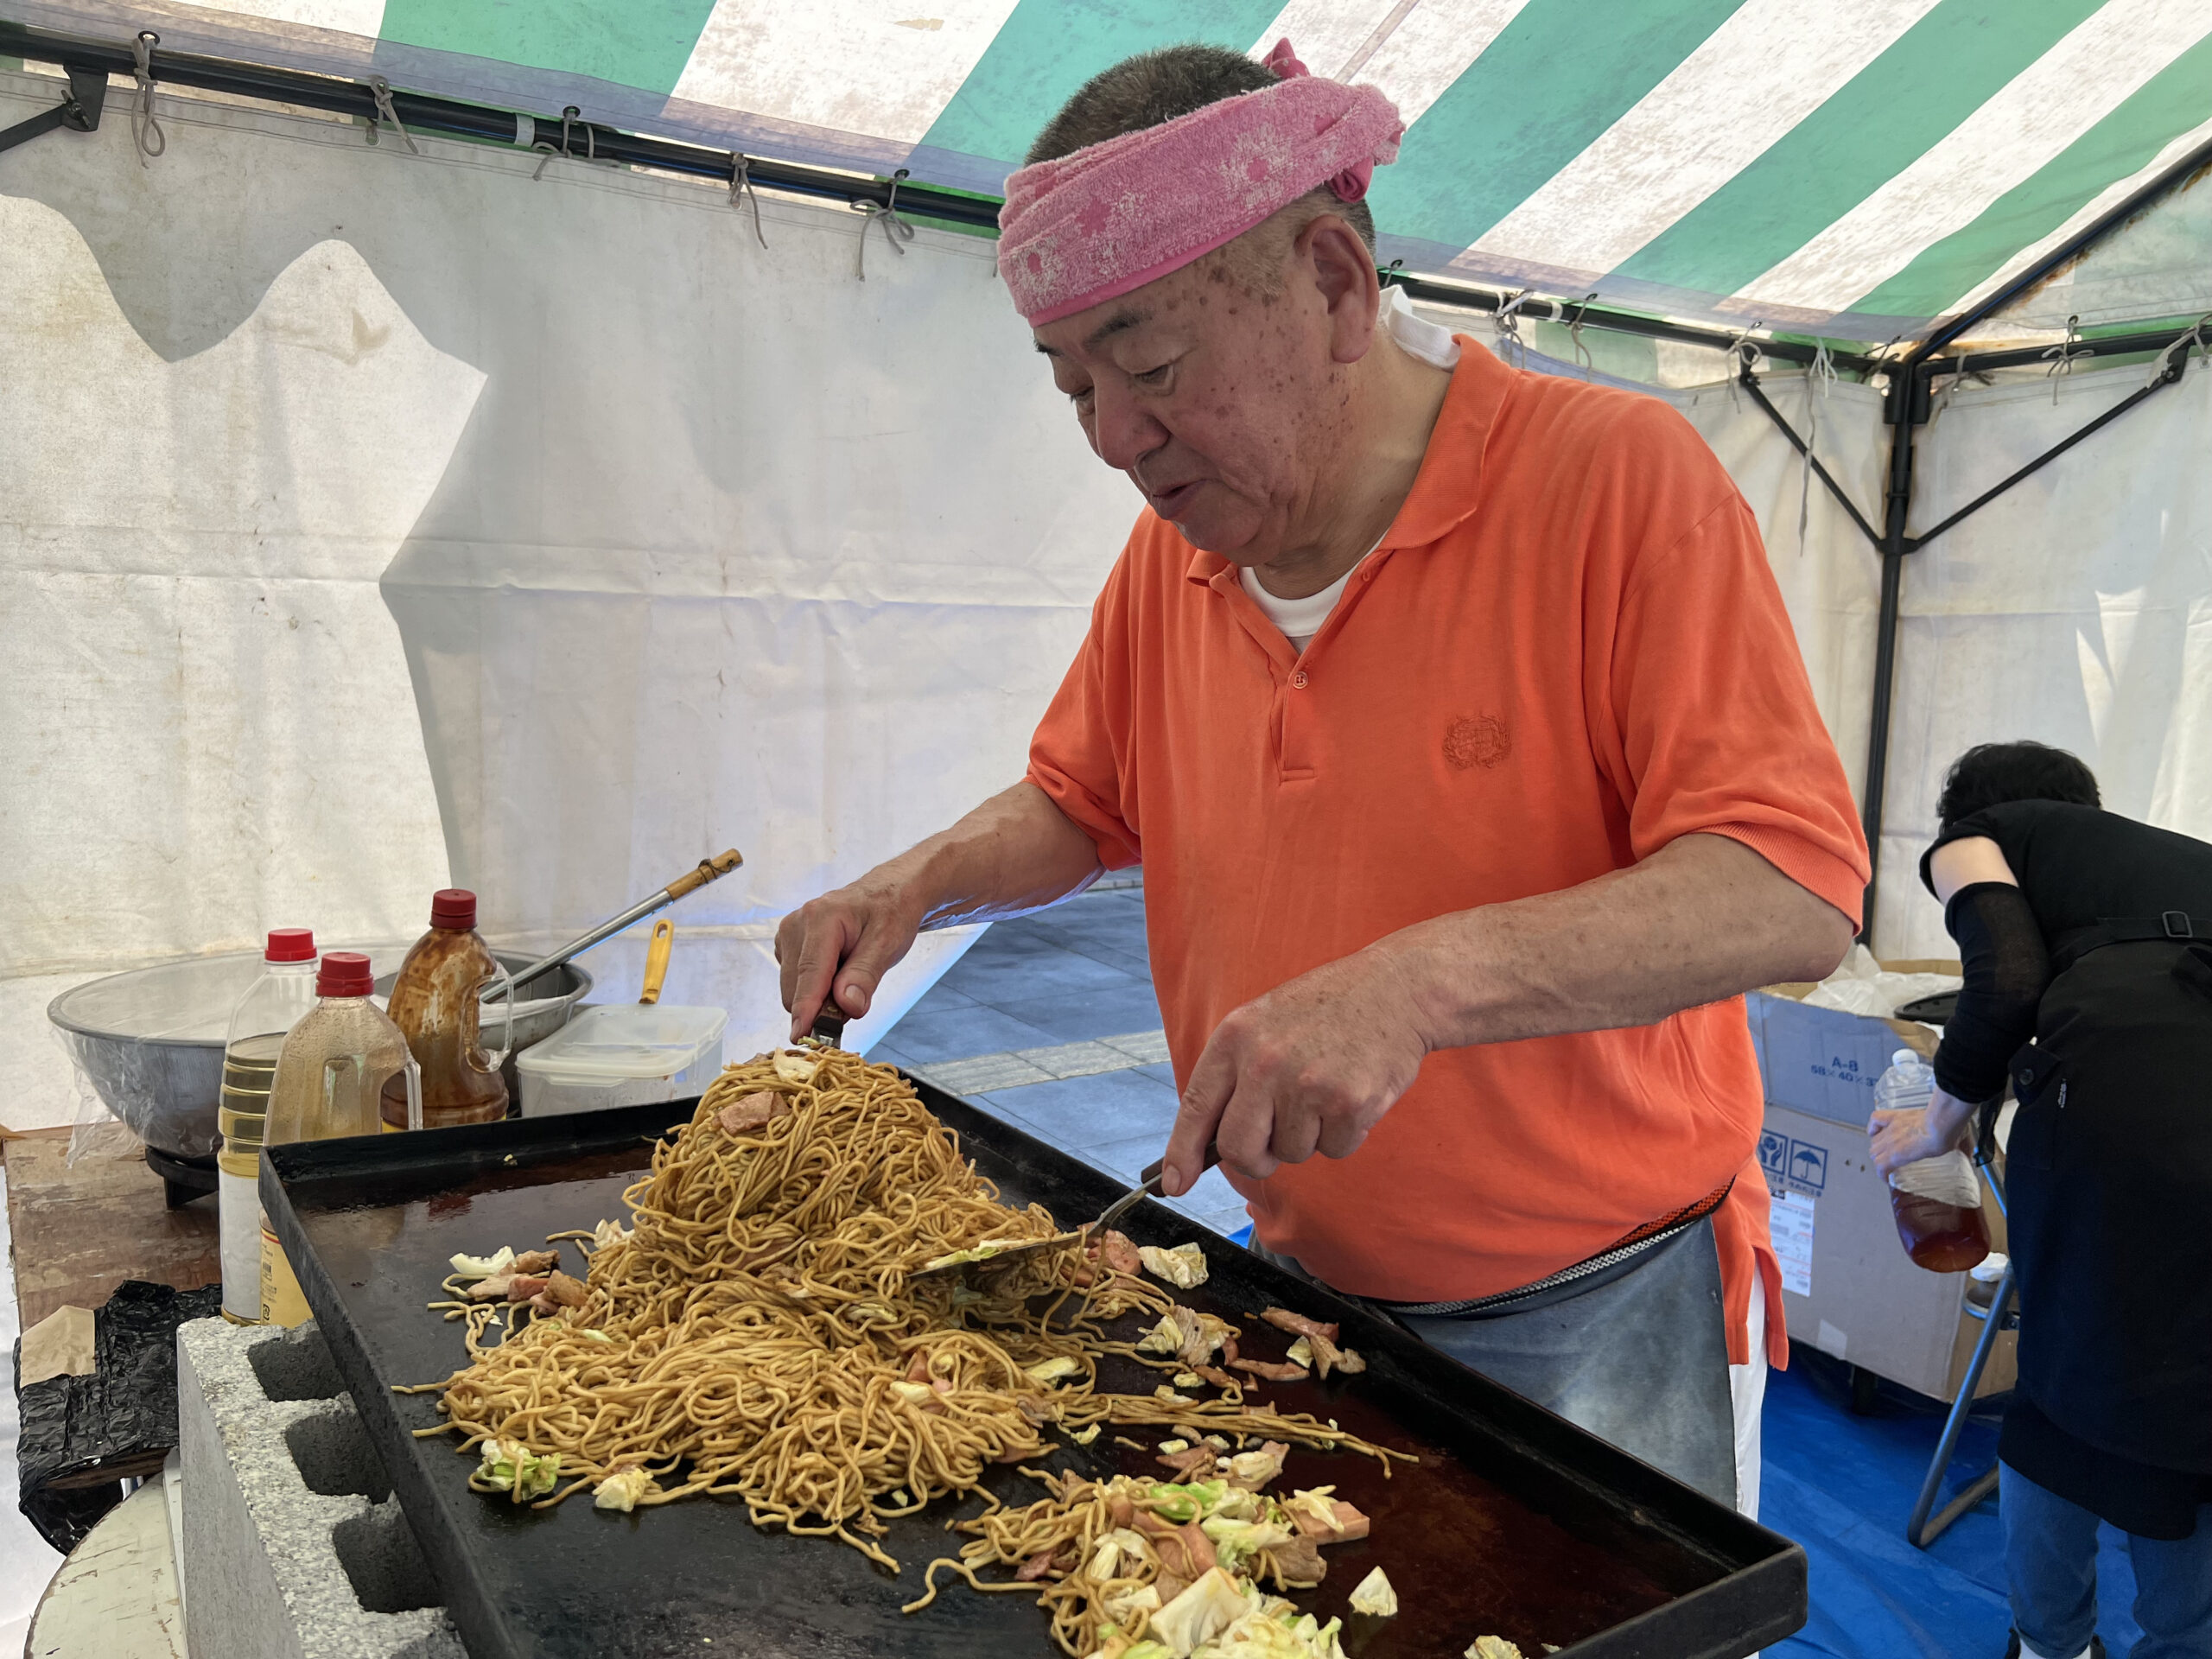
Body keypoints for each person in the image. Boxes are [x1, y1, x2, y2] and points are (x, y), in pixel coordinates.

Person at [779, 41, 1866, 1512]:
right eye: (1072, 385)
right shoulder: (1181, 557)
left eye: (1152, 369)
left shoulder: (1617, 483)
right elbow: (1082, 800)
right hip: (1295, 1285)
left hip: (1589, 1322)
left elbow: (1791, 886)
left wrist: (1414, 985)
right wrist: (913, 882)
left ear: (1338, 284)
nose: (1114, 440)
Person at [1870, 741, 2212, 1659]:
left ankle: (2048, 1642)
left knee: (2068, 1374)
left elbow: (2007, 979)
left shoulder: (1975, 838)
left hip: (2135, 1097)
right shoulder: (2168, 856)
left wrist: (1936, 1123)